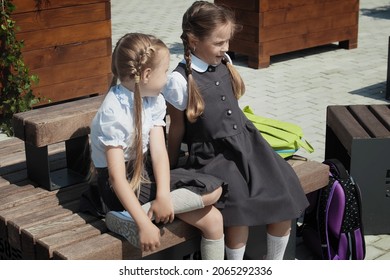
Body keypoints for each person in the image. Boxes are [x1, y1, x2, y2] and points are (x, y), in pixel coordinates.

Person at [162, 1, 309, 260]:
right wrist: (169, 167)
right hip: (215, 157)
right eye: (219, 43)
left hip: (249, 146)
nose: (226, 48)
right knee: (239, 206)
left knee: (283, 193)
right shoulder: (179, 80)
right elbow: (175, 130)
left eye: (227, 41)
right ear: (194, 41)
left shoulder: (224, 60)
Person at [86, 33, 225, 259]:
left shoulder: (154, 100)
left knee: (214, 218)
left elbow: (159, 153)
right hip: (121, 189)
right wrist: (144, 224)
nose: (168, 77)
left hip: (146, 179)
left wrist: (163, 196)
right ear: (147, 75)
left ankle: (132, 216)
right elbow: (116, 178)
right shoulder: (113, 112)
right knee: (211, 192)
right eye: (165, 71)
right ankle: (135, 216)